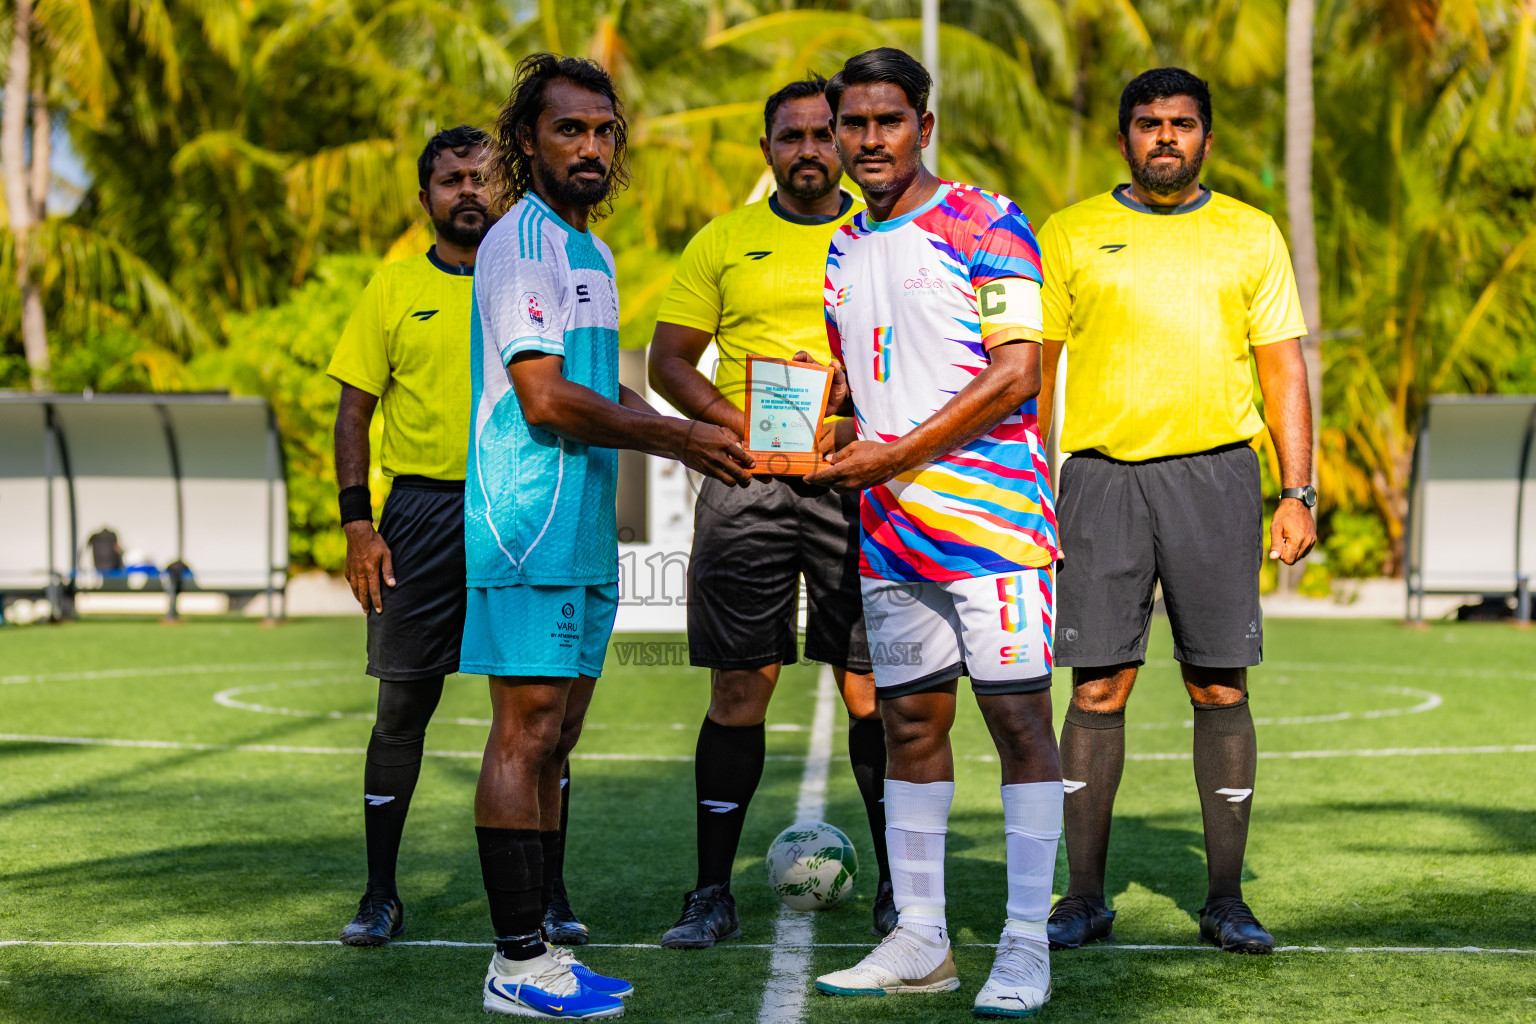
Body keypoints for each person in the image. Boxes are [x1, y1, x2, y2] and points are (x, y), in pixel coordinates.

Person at [464, 53, 753, 1018]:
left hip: (585, 522)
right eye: (568, 130)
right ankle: (515, 964)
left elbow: (597, 383)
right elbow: (544, 396)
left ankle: (543, 947)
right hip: (524, 518)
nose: (590, 147)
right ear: (527, 141)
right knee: (527, 726)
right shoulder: (520, 242)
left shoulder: (592, 252)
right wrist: (672, 432)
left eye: (604, 131)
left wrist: (690, 439)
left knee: (562, 732)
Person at [806, 48, 1064, 1018]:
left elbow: (1016, 371)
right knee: (908, 723)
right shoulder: (840, 249)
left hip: (993, 524)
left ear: (924, 124)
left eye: (888, 120)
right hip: (890, 531)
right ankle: (921, 937)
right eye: (854, 123)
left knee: (1016, 723)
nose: (870, 139)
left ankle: (1026, 943)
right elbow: (854, 387)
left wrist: (894, 449)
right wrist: (825, 438)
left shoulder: (986, 221)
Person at [1036, 67, 1316, 956]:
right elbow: (1034, 370)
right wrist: (1031, 489)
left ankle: (1226, 900)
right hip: (1099, 481)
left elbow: (1283, 369)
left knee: (1219, 684)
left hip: (1217, 479)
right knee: (1098, 686)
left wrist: (1297, 489)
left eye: (1183, 123)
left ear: (1207, 137)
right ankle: (1082, 897)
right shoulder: (1071, 231)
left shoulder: (1249, 233)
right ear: (1124, 137)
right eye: (1149, 123)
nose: (1166, 136)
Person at [647, 75, 896, 948]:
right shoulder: (723, 240)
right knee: (738, 686)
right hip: (746, 482)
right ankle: (711, 891)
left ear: (845, 141)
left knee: (871, 688)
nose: (809, 150)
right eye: (789, 137)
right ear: (767, 150)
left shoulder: (880, 237)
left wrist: (859, 424)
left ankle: (897, 893)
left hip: (852, 480)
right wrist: (736, 424)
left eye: (823, 134)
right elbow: (669, 362)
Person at [328, 124, 528, 947]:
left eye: (483, 177)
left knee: (536, 710)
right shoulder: (391, 286)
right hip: (420, 513)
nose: (469, 191)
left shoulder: (533, 282)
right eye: (452, 180)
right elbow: (353, 412)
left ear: (505, 189)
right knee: (402, 707)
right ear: (427, 198)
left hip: (521, 508)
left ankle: (546, 896)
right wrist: (357, 525)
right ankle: (380, 893)